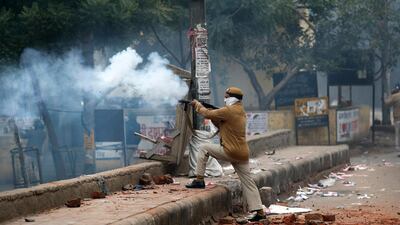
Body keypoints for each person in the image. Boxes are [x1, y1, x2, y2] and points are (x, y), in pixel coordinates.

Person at [185, 87, 266, 222]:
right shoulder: (240, 111)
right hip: (242, 153)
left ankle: (199, 180)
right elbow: (222, 123)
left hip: (230, 151)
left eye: (227, 96)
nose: (225, 98)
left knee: (204, 148)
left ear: (233, 98)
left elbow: (206, 114)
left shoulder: (229, 110)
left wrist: (197, 105)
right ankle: (260, 212)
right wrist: (212, 112)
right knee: (249, 183)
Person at [385, 84, 400, 150]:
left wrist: (388, 96)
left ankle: (397, 147)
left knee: (397, 134)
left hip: (398, 118)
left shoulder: (395, 96)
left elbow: (387, 103)